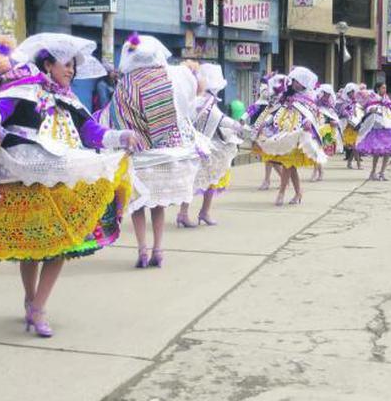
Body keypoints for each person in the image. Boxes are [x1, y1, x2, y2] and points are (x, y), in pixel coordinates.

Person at [0, 35, 139, 337]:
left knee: (60, 245)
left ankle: (38, 306)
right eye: (67, 64)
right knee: (34, 248)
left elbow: (92, 131)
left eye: (74, 66)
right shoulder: (25, 88)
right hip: (28, 178)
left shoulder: (69, 99)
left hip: (63, 178)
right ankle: (30, 298)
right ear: (48, 64)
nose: (72, 71)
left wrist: (121, 137)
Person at [98, 34, 207, 266]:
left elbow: (114, 120)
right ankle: (159, 249)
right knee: (158, 205)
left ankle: (142, 250)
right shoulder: (167, 79)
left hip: (136, 157)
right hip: (162, 156)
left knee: (138, 205)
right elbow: (182, 111)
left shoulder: (123, 85)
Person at [252, 66, 326, 205]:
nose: (293, 83)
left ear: (303, 82)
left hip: (297, 135)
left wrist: (308, 122)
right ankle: (298, 193)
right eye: (293, 81)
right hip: (282, 133)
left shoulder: (309, 97)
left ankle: (282, 193)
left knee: (288, 163)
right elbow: (277, 112)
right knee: (289, 165)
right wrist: (266, 122)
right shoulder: (287, 95)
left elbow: (312, 114)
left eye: (296, 81)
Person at [192, 63, 242, 224]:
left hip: (197, 143)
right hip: (205, 145)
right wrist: (235, 125)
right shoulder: (205, 100)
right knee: (209, 178)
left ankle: (189, 213)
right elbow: (217, 117)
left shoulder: (197, 98)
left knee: (195, 179)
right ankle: (201, 212)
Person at [356, 82, 391, 181]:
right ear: (378, 89)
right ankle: (373, 172)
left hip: (388, 128)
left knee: (388, 152)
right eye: (383, 88)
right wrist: (371, 109)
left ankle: (382, 172)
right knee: (377, 152)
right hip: (378, 128)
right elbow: (368, 108)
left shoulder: (387, 100)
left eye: (385, 88)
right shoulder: (373, 98)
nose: (384, 90)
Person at [312, 83, 342, 181]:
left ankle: (318, 171)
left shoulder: (330, 106)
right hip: (316, 130)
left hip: (327, 131)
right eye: (325, 94)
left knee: (320, 152)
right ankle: (317, 171)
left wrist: (334, 122)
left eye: (328, 95)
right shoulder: (314, 104)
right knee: (315, 151)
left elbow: (335, 118)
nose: (326, 96)